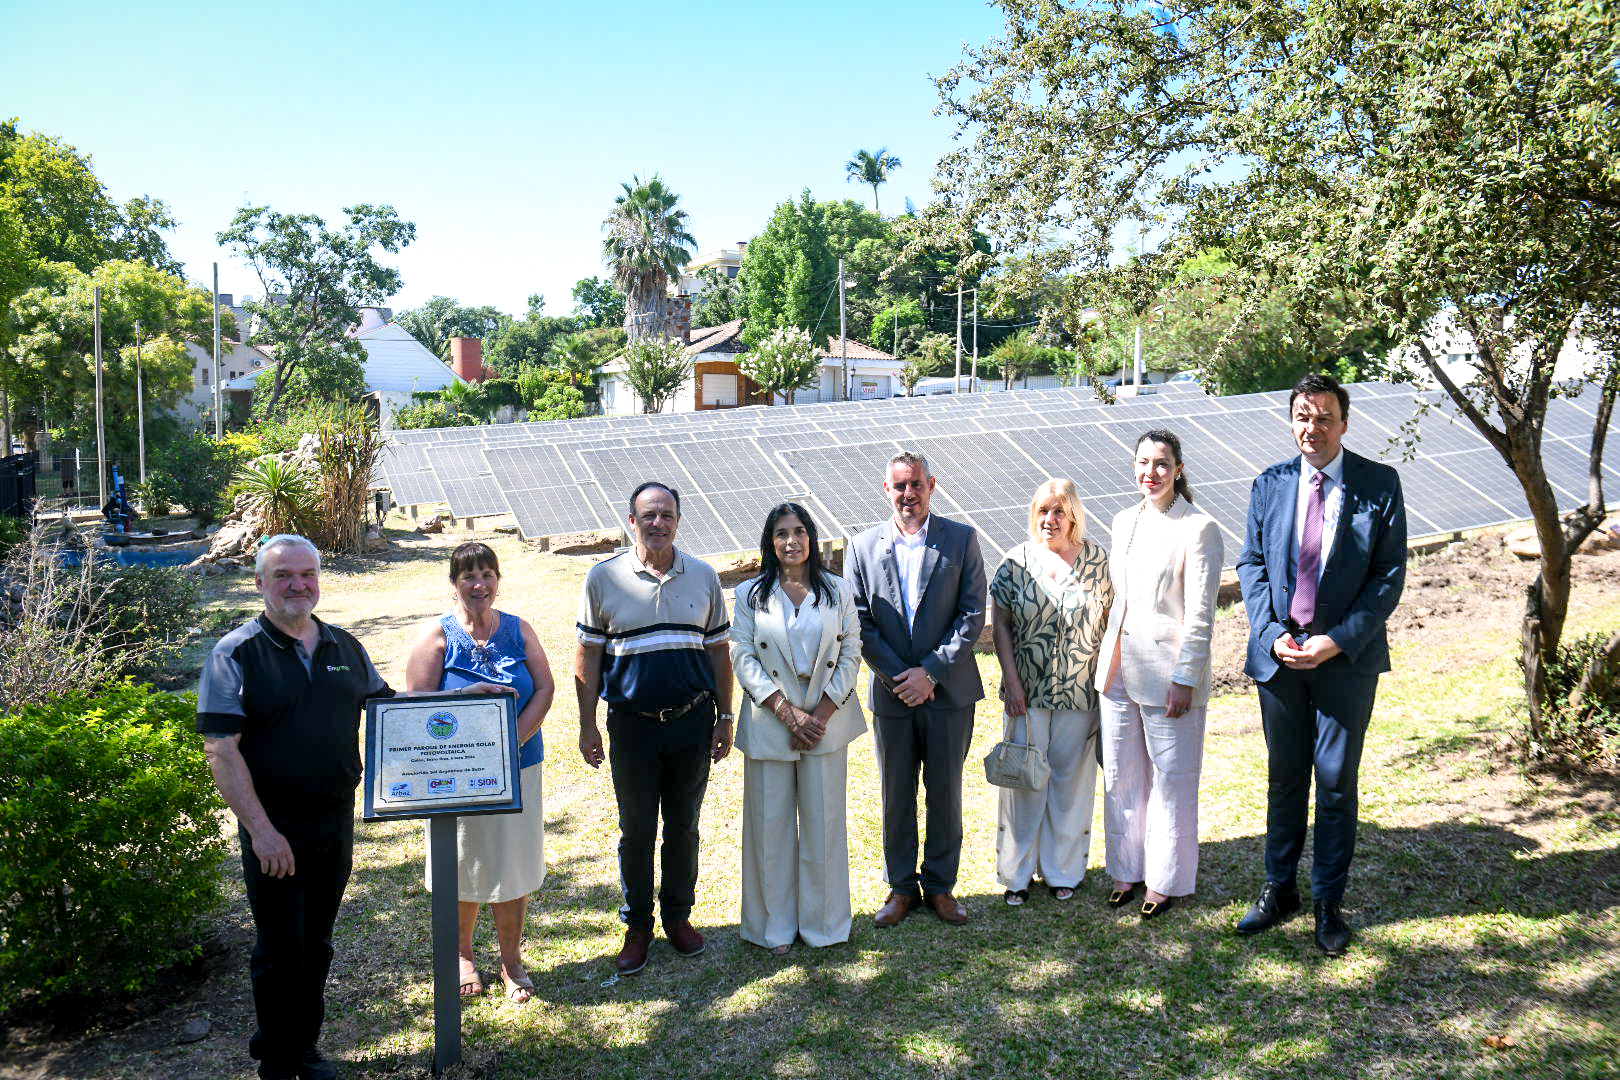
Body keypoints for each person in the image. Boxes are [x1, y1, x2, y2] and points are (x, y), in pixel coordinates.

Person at [197, 535, 392, 1080]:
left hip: (334, 819)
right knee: (281, 947)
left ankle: (304, 1047)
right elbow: (221, 749)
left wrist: (459, 703)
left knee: (317, 942)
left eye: (307, 574)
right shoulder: (235, 653)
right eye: (283, 575)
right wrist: (261, 831)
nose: (297, 585)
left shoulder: (343, 646)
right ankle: (279, 1061)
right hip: (274, 827)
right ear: (260, 582)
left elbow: (390, 713)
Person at [1235, 372, 1406, 955]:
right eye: (1303, 417)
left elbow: (1387, 577)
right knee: (1285, 778)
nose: (1313, 428)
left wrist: (1337, 639)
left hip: (1344, 661)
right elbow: (1252, 565)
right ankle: (1278, 889)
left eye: (1324, 418)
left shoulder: (1379, 485)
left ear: (1344, 424)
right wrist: (1270, 633)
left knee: (1334, 782)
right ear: (1292, 422)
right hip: (1280, 659)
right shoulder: (1269, 483)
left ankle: (1328, 902)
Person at [575, 481, 734, 975]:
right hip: (632, 727)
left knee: (684, 827)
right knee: (637, 830)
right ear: (632, 521)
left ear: (678, 521)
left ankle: (678, 917)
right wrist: (586, 725)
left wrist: (726, 716)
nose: (658, 523)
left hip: (692, 722)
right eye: (648, 515)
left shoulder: (703, 576)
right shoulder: (604, 578)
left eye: (667, 515)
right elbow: (588, 654)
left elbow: (719, 652)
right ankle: (638, 925)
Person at [405, 542, 555, 1003]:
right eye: (469, 576)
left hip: (519, 767)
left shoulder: (519, 629)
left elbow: (545, 687)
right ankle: (462, 956)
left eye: (487, 574)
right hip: (457, 776)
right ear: (454, 583)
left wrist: (514, 742)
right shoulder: (436, 636)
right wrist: (462, 696)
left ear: (497, 580)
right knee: (461, 863)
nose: (479, 584)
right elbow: (413, 706)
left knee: (512, 863)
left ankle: (511, 960)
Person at [847, 450, 987, 927]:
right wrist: (899, 677)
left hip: (948, 692)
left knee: (945, 792)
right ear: (886, 489)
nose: (909, 493)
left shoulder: (961, 539)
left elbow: (972, 613)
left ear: (932, 485)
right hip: (892, 696)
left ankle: (941, 887)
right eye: (900, 485)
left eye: (916, 484)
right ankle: (902, 888)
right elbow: (859, 622)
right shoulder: (861, 547)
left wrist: (930, 672)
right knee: (896, 794)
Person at [1095, 430, 1223, 920]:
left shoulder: (1198, 527)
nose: (1151, 472)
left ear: (1179, 470)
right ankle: (1126, 869)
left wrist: (1186, 676)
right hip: (1118, 669)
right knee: (1122, 778)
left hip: (1169, 675)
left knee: (1172, 780)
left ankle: (1166, 880)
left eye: (1162, 464)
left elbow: (1201, 613)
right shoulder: (1122, 520)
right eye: (1143, 462)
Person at [731, 503, 867, 952]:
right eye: (781, 533)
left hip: (826, 722)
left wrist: (820, 716)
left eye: (799, 531)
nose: (791, 541)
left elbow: (851, 653)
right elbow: (742, 655)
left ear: (811, 536)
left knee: (825, 827)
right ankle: (773, 928)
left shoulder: (838, 590)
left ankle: (824, 925)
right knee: (768, 829)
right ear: (770, 542)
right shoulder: (750, 593)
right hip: (772, 721)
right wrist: (787, 712)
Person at [989, 479, 1112, 906]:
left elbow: (1110, 624)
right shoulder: (1015, 562)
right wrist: (1013, 684)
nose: (1050, 519)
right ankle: (1017, 875)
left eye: (1059, 511)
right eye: (1043, 511)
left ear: (1073, 515)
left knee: (1070, 784)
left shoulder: (1098, 561)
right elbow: (1000, 626)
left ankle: (1064, 870)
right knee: (1024, 782)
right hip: (1026, 694)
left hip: (1081, 693)